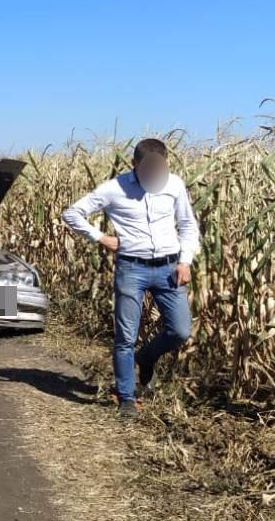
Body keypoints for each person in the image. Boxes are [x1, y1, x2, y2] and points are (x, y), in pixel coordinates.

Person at [62, 138, 201, 418]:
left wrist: (185, 261)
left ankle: (147, 357)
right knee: (125, 336)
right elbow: (72, 213)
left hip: (169, 267)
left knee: (180, 331)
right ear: (135, 164)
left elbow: (187, 224)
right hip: (132, 269)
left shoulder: (174, 185)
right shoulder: (114, 189)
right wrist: (101, 237)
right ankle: (126, 395)